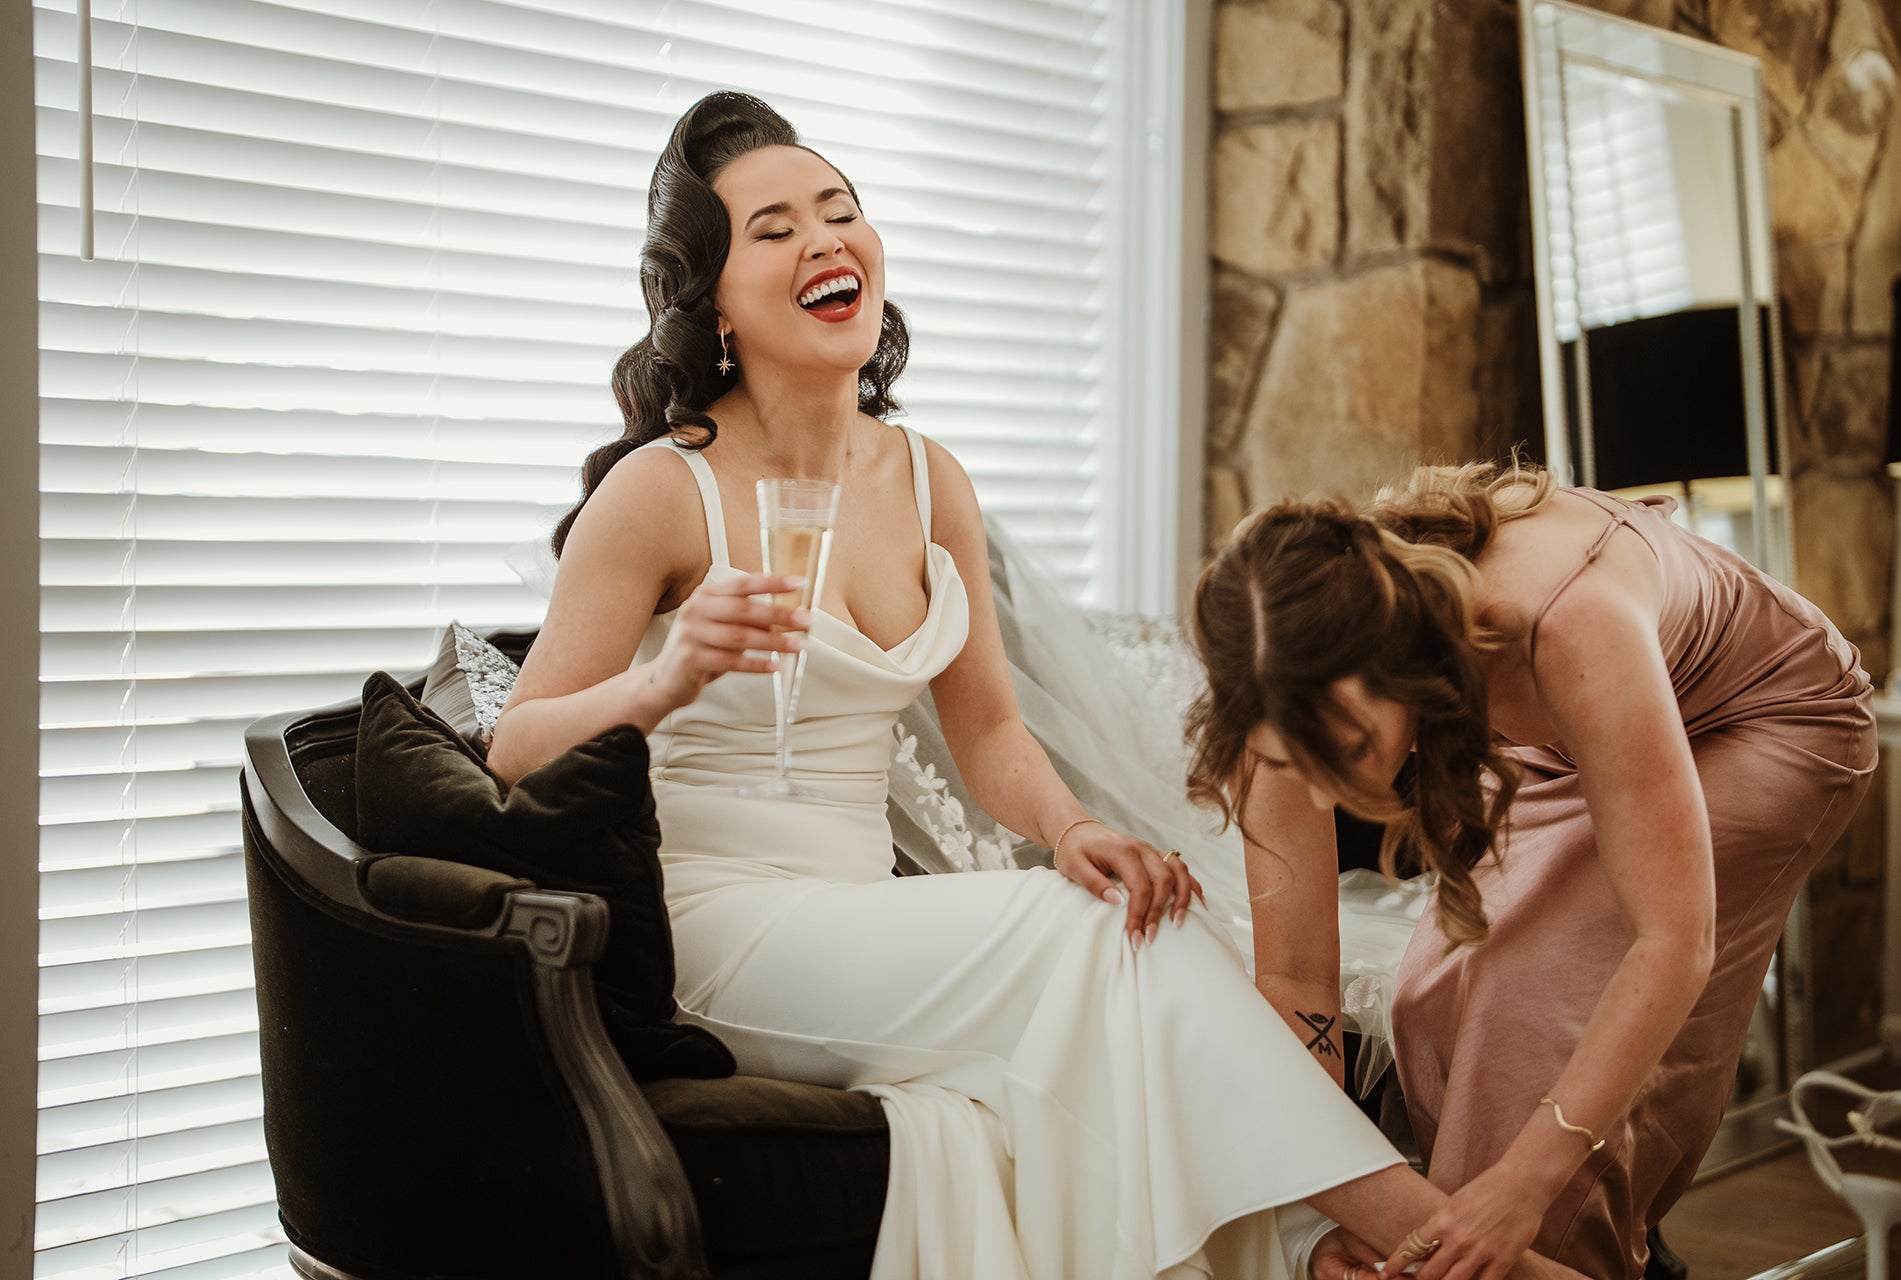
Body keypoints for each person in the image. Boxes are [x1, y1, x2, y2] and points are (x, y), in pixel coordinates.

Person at [486, 91, 1585, 1279]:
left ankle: (1329, 1247)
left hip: (862, 917)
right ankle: (1437, 1245)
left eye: (840, 210)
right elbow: (516, 750)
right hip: (723, 931)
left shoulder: (927, 479)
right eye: (775, 228)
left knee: (1131, 915)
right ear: (712, 304)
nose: (824, 241)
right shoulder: (663, 489)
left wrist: (1070, 827)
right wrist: (666, 679)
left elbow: (992, 733)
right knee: (1084, 936)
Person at [1186, 464, 1877, 1279]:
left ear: (1399, 663)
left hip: (1763, 718)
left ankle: (1576, 1246)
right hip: (1562, 734)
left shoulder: (1561, 618)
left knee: (1527, 1010)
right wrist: (1322, 1217)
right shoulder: (1276, 688)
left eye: (1347, 747)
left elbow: (1671, 941)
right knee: (1430, 997)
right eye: (1287, 759)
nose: (1318, 789)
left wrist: (1525, 1183)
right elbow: (1298, 978)